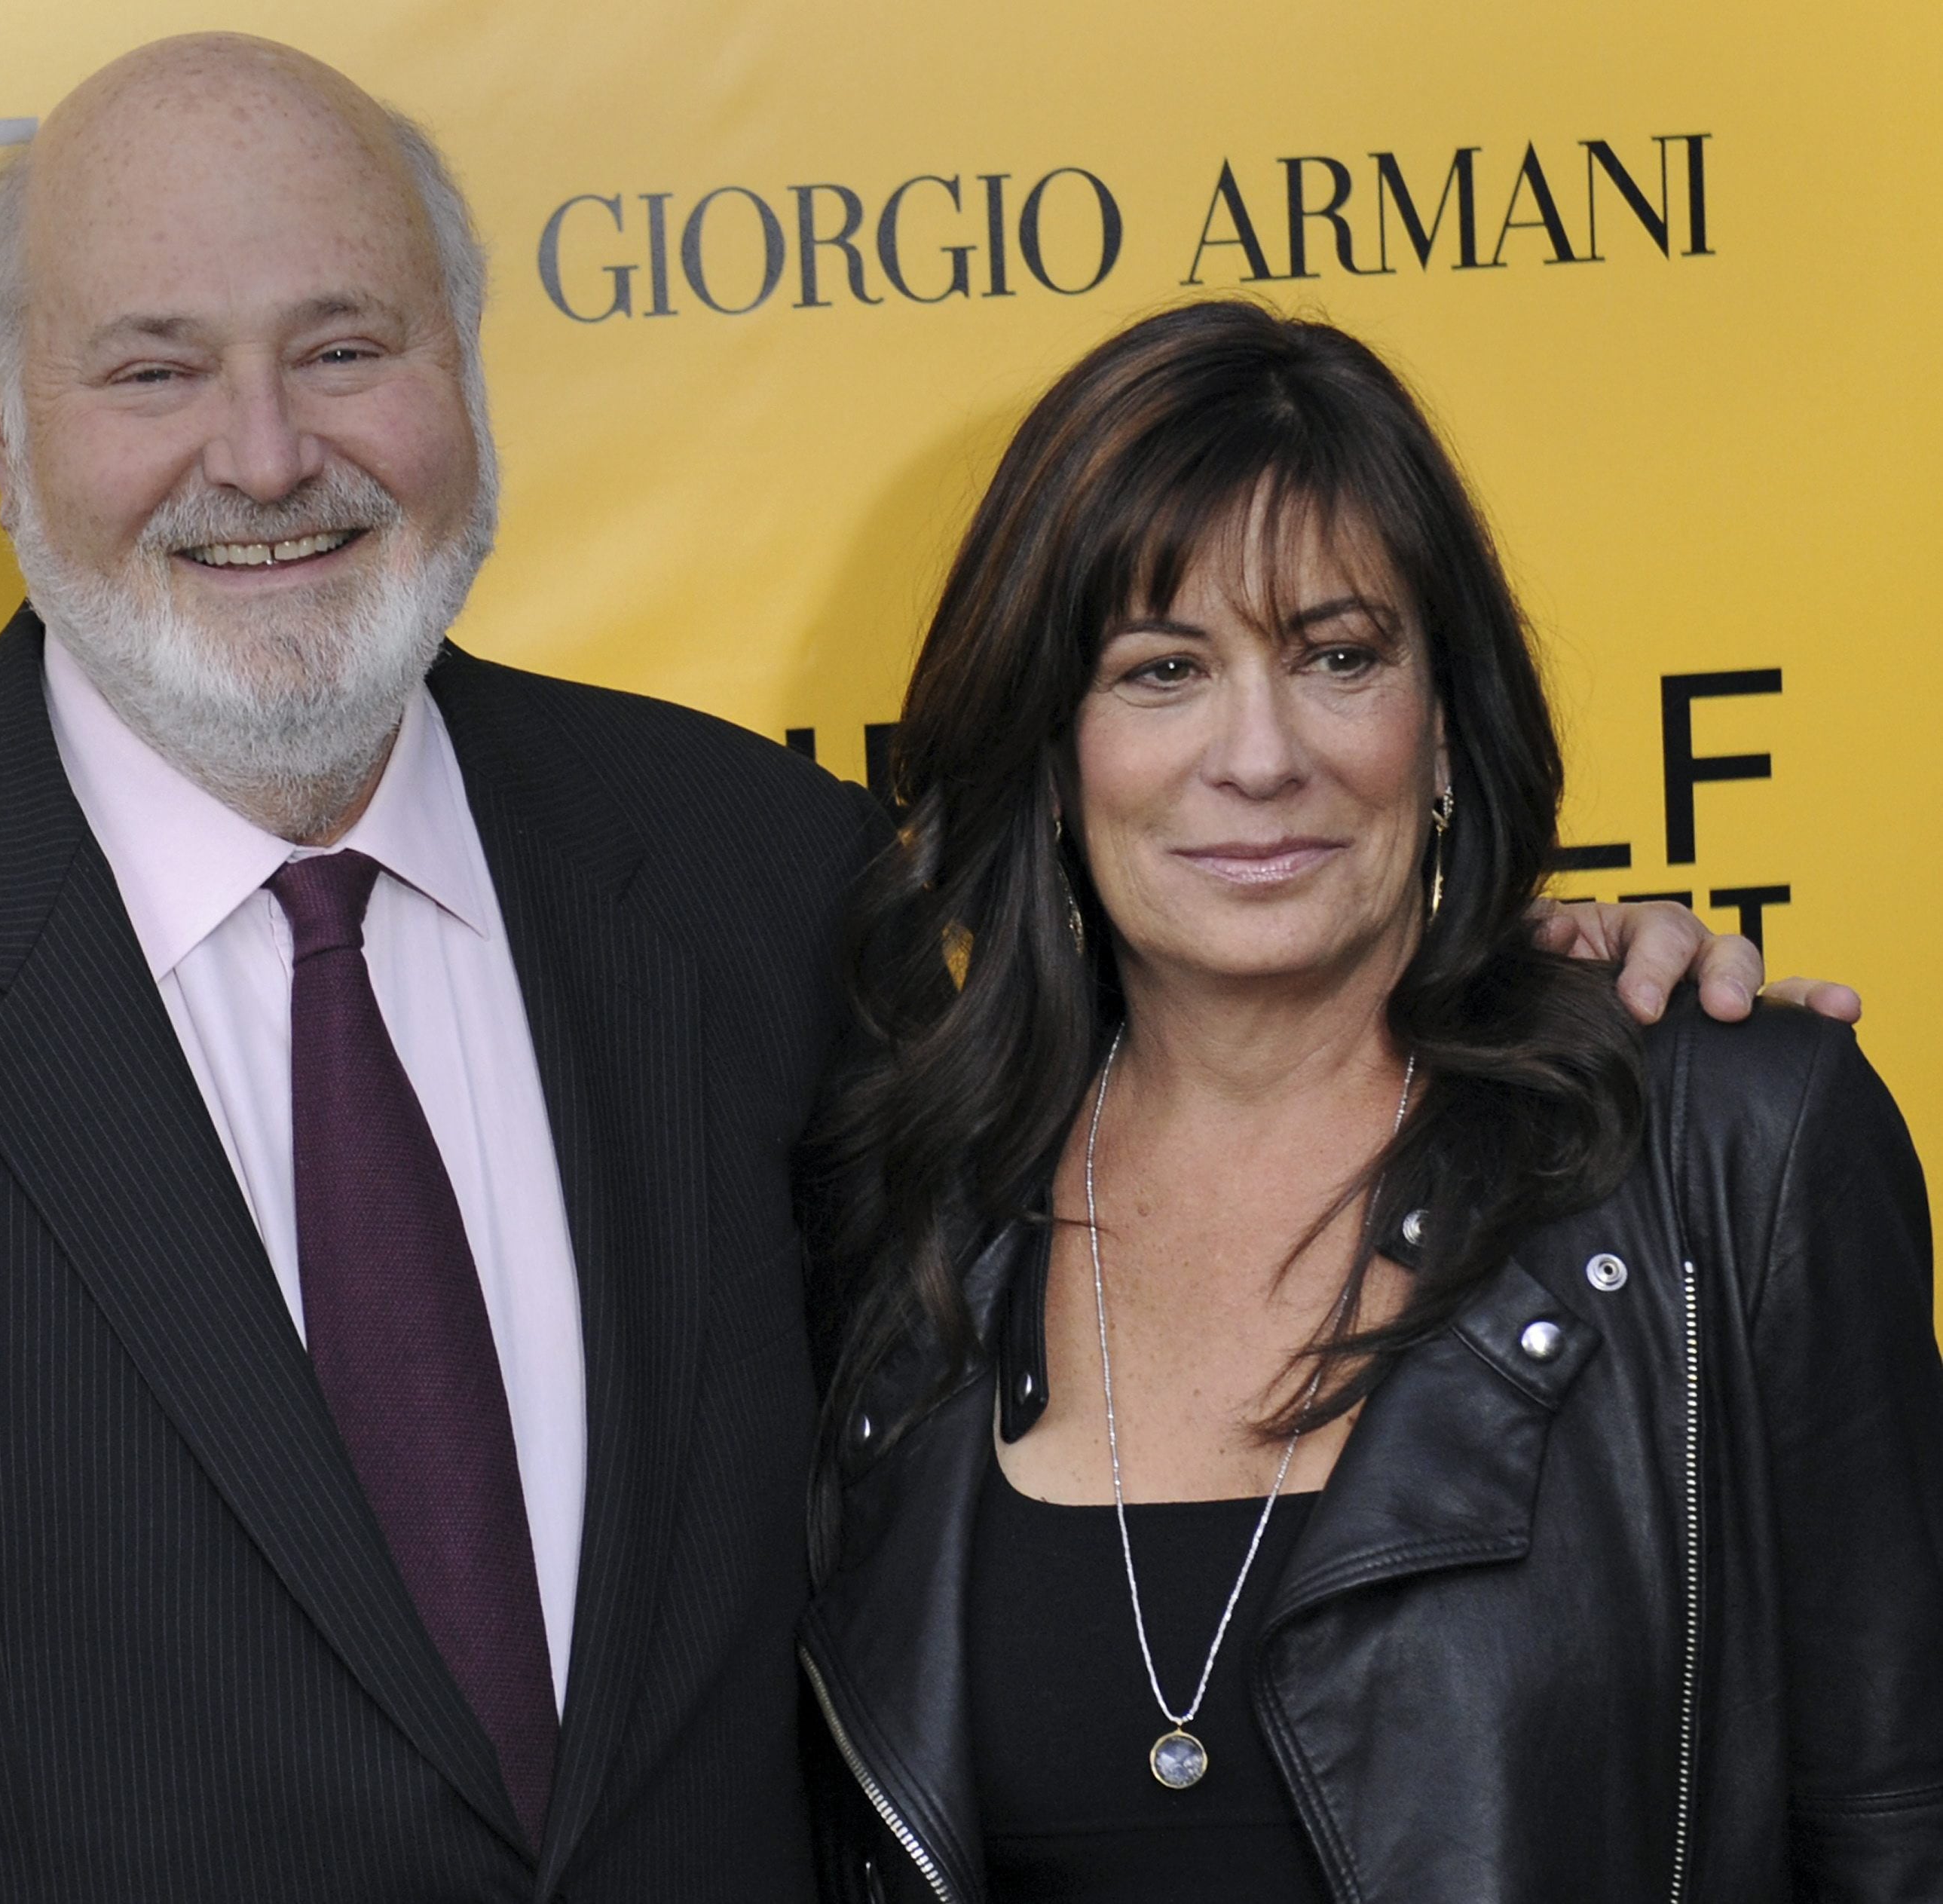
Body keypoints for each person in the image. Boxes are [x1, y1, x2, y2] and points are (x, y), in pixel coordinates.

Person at [0, 38, 1832, 1904]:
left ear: (467, 377)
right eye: (154, 370)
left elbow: (1228, 1085)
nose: (265, 453)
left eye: (345, 343)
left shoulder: (761, 886)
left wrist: (1547, 993)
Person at [797, 299, 1943, 1904]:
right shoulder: (905, 1212)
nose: (1259, 756)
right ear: (1052, 754)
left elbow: (1900, 1826)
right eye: (1163, 670)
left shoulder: (1730, 1144)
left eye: (1339, 657)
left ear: (1445, 716)